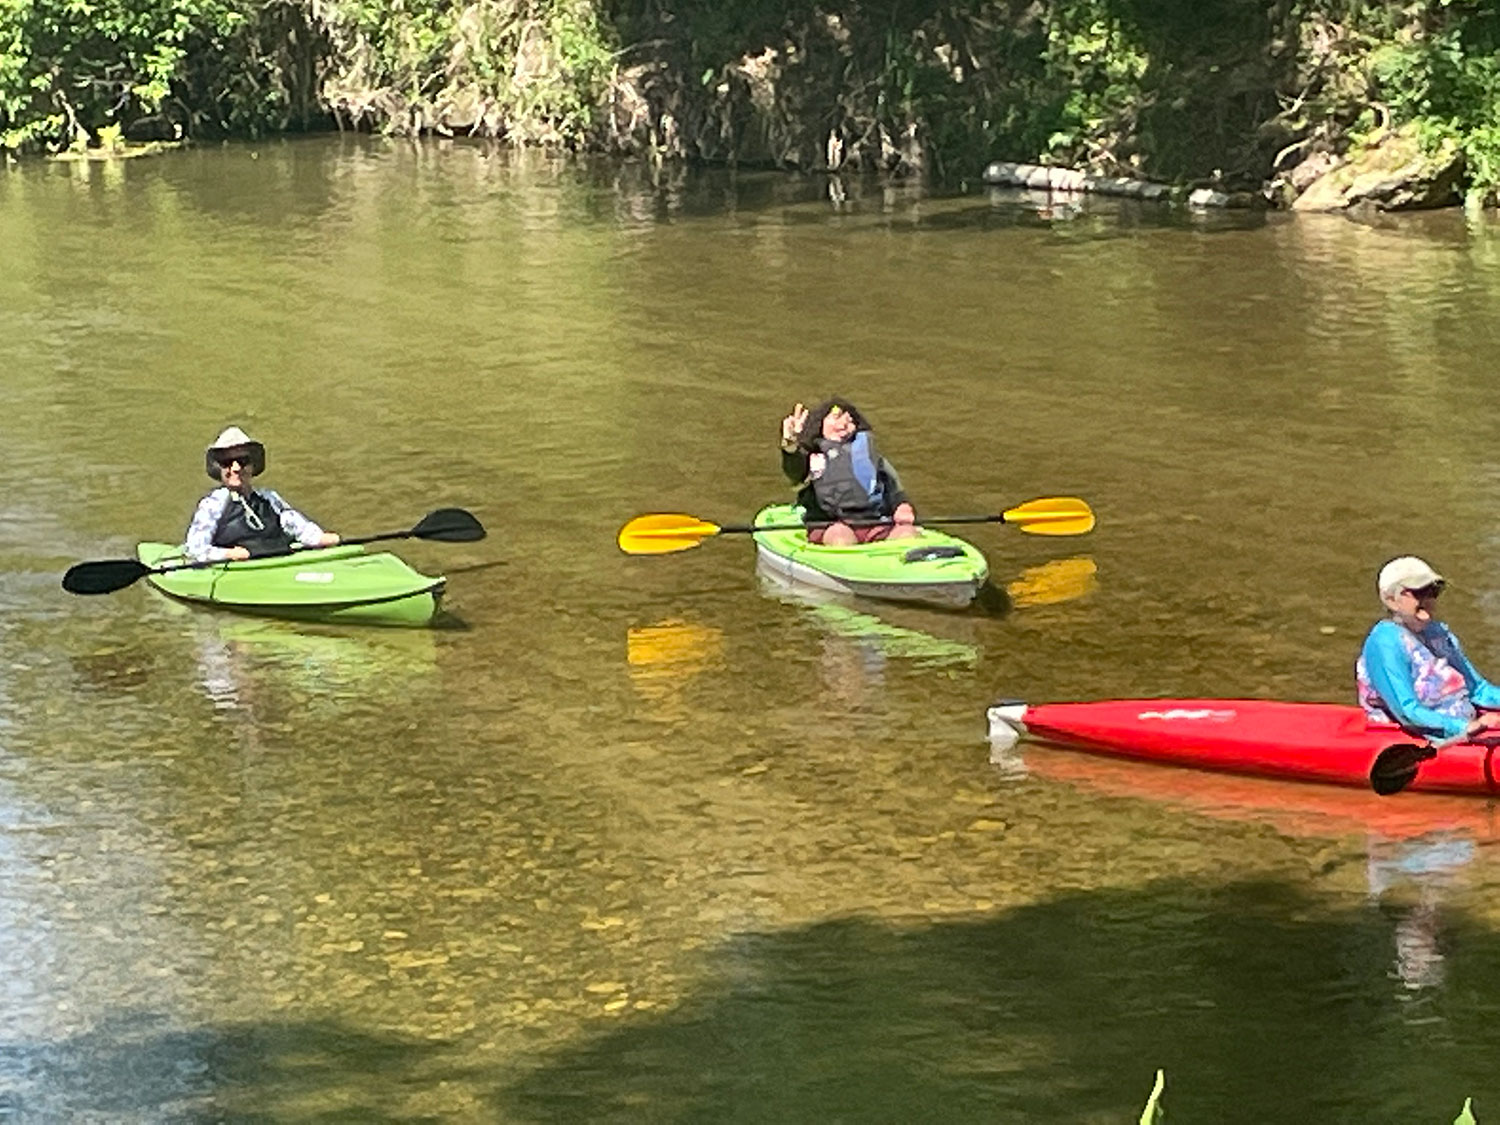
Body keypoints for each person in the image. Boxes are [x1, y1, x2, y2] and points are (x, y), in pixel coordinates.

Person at [1356, 556, 1500, 740]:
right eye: (1419, 592)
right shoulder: (1385, 642)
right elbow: (1407, 711)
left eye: (1433, 591)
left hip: (1467, 728)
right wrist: (1463, 727)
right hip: (1414, 737)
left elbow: (1479, 690)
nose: (1428, 599)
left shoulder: (1438, 632)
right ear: (1391, 599)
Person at [184, 426, 340, 562]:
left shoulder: (269, 498)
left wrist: (320, 538)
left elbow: (297, 525)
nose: (236, 468)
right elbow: (196, 548)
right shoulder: (212, 505)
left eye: (243, 461)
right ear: (220, 468)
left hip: (276, 560)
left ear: (252, 466)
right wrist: (229, 553)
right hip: (238, 570)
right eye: (227, 462)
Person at [778, 399, 919, 545]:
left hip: (874, 523)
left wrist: (902, 505)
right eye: (836, 417)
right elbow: (794, 472)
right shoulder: (812, 458)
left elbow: (894, 488)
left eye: (850, 421)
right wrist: (790, 445)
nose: (844, 424)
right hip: (831, 525)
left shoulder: (871, 457)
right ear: (820, 424)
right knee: (841, 537)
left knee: (907, 534)